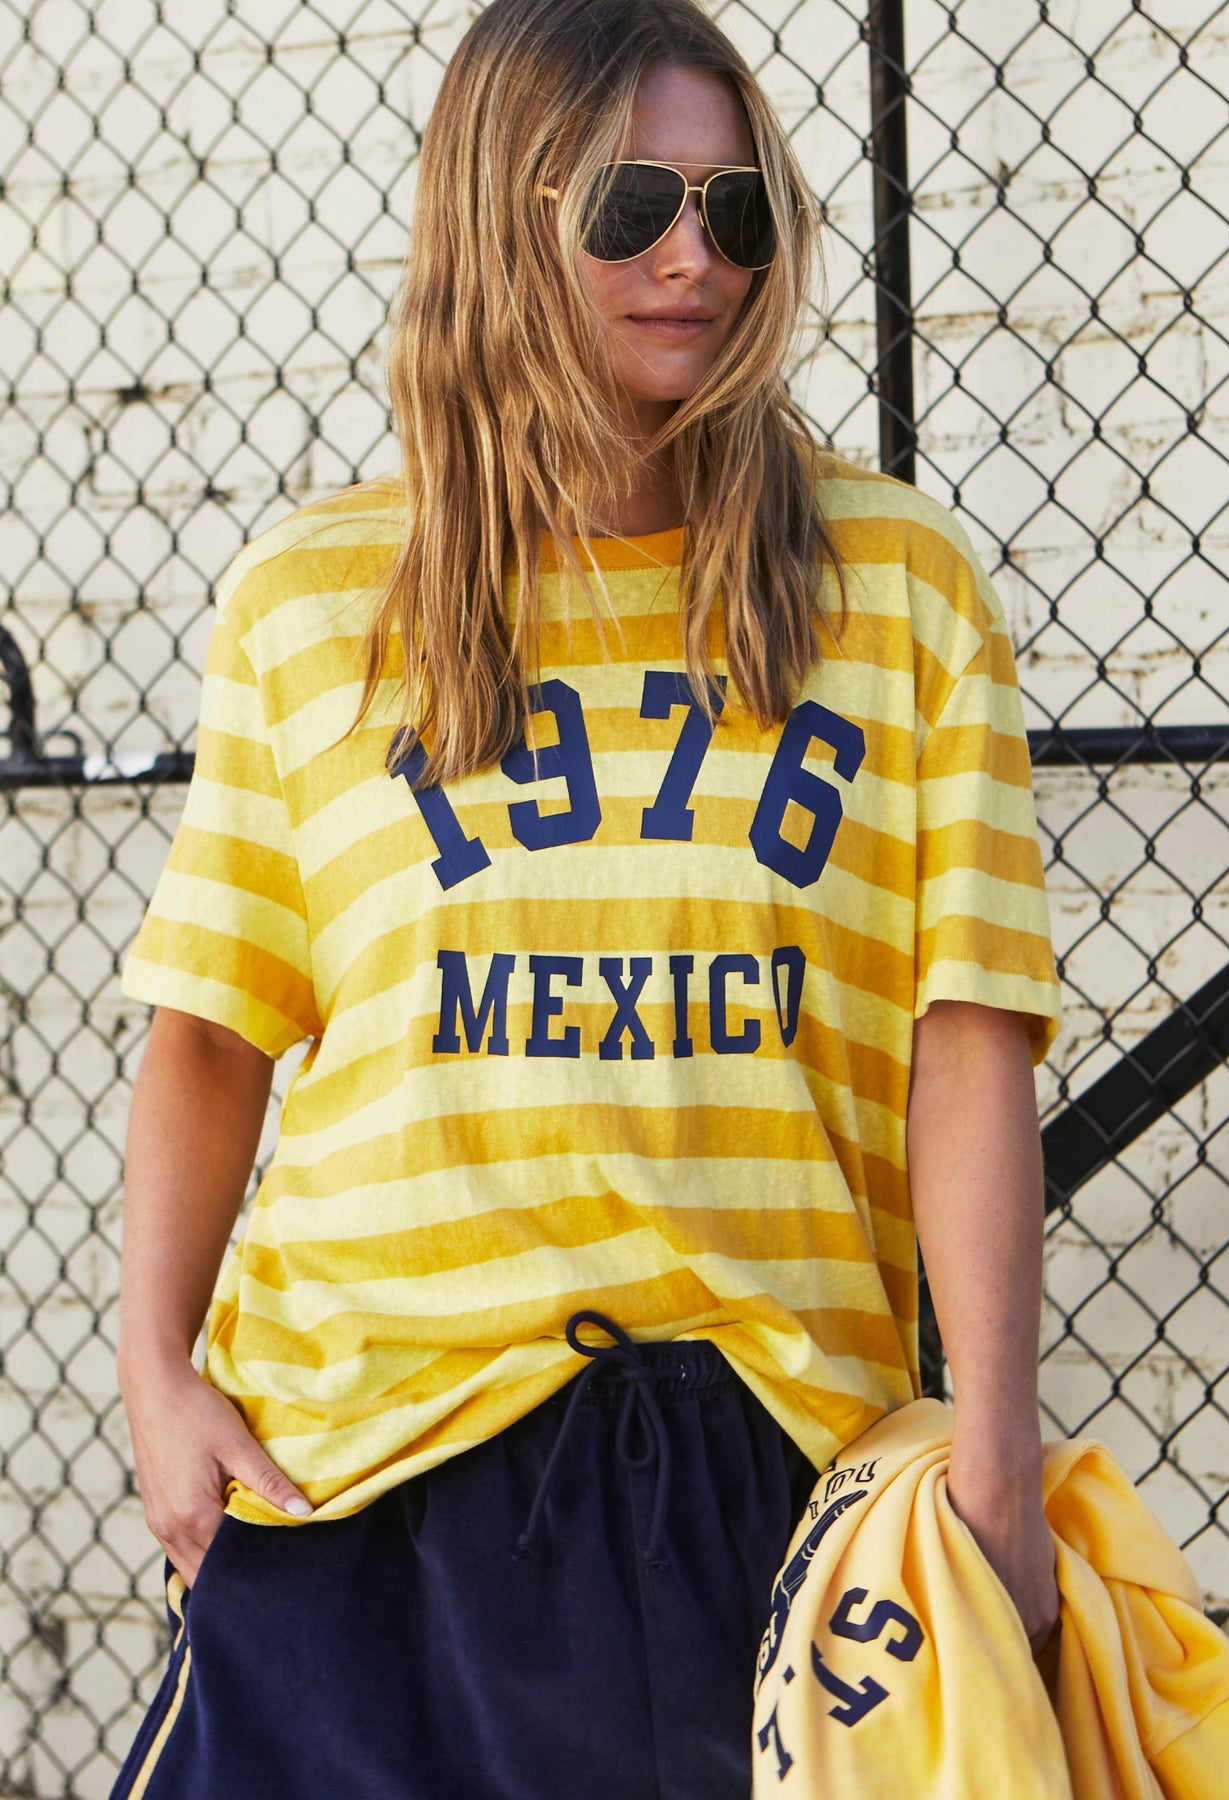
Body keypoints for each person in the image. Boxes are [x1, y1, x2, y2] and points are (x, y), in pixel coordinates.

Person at [110, 0, 1063, 1795]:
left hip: (752, 1471)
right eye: (632, 208)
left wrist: (995, 1465)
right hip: (360, 1464)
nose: (694, 258)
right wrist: (156, 1377)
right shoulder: (314, 601)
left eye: (736, 209)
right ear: (501, 215)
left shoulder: (895, 585)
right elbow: (213, 1030)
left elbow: (968, 1040)